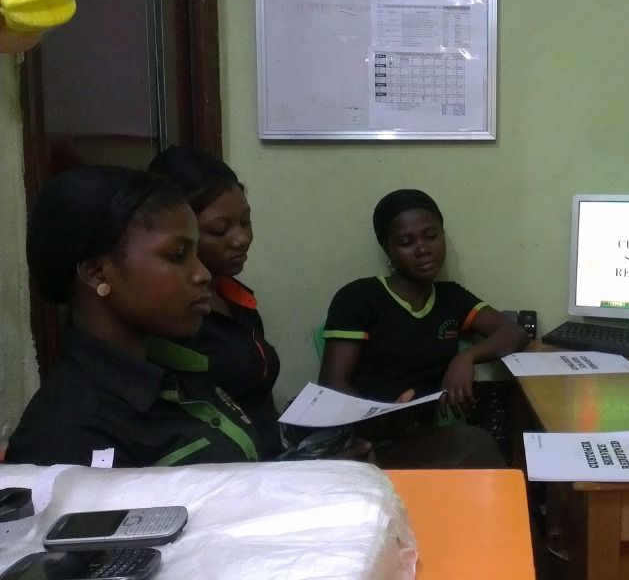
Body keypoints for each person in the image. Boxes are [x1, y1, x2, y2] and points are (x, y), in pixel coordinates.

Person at [6, 166, 261, 467]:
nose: (202, 274)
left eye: (196, 255)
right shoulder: (69, 436)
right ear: (97, 273)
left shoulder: (175, 369)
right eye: (178, 255)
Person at [319, 189, 528, 467]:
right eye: (406, 241)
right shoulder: (359, 297)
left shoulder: (450, 298)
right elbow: (332, 385)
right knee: (477, 446)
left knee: (482, 444)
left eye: (431, 236)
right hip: (363, 440)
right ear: (388, 249)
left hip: (415, 435)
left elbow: (513, 332)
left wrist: (465, 357)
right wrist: (374, 421)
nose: (422, 249)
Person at [148, 146, 282, 459]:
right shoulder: (171, 319)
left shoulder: (238, 299)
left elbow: (258, 400)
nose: (241, 239)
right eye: (219, 230)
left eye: (246, 222)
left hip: (271, 466)